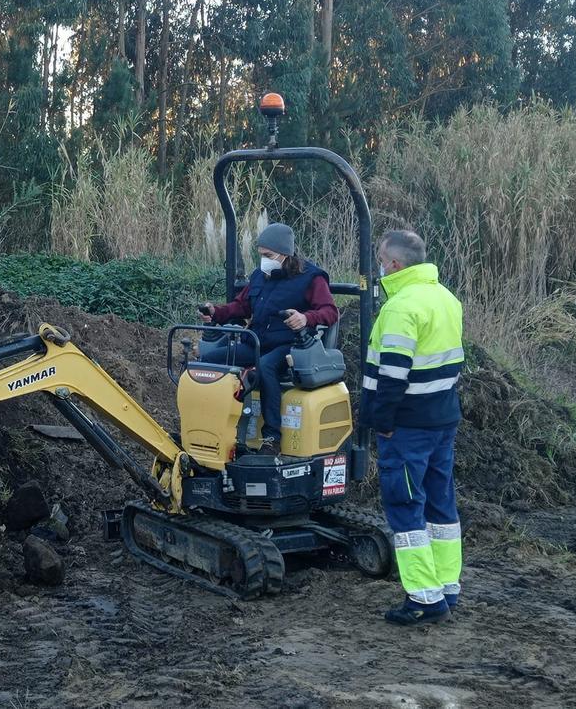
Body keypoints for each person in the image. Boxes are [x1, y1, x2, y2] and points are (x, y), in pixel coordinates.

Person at [362, 229, 464, 626]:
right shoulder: (446, 298)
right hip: (442, 420)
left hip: (406, 427)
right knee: (441, 504)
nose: (379, 265)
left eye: (381, 258)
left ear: (395, 265)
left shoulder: (402, 307)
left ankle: (423, 599)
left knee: (406, 508)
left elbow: (392, 374)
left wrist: (380, 423)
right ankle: (446, 587)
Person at [198, 222, 339, 454]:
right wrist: (216, 312)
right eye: (261, 254)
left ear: (285, 253)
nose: (263, 259)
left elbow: (330, 311)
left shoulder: (312, 278)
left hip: (290, 347)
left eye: (268, 255)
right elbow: (241, 306)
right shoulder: (259, 276)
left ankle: (272, 437)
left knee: (265, 367)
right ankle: (210, 427)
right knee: (208, 361)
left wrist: (305, 318)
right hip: (255, 342)